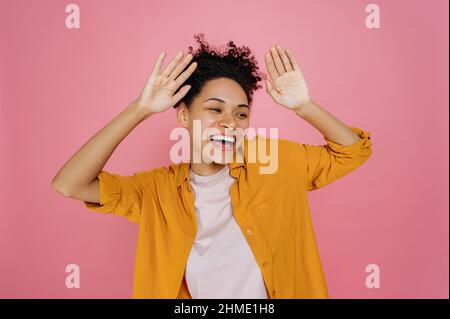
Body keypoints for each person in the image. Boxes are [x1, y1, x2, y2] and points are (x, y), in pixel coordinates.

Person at [51, 33, 373, 299]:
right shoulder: (157, 192)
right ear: (184, 115)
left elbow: (353, 152)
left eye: (241, 114)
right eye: (214, 110)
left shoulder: (276, 163)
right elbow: (70, 184)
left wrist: (306, 106)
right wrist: (140, 109)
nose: (229, 123)